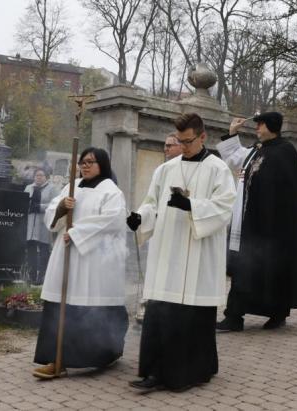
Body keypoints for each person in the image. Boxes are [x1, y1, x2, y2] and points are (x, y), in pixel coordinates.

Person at [126, 113, 236, 392]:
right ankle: (153, 372)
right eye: (179, 141)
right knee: (159, 311)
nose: (183, 147)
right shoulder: (166, 169)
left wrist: (191, 206)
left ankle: (192, 372)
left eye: (188, 141)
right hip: (167, 253)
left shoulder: (218, 169)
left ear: (202, 137)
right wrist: (140, 217)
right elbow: (152, 203)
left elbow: (225, 207)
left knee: (191, 316)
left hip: (198, 253)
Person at [32, 147, 129, 378]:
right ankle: (57, 359)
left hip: (93, 260)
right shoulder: (71, 187)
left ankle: (101, 354)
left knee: (86, 306)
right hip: (66, 253)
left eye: (90, 162)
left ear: (102, 164)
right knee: (61, 304)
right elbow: (52, 215)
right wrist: (60, 209)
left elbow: (113, 221)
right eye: (83, 162)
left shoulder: (111, 191)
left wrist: (77, 233)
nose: (85, 166)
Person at [215, 112, 297, 332]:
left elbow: (283, 192)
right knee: (243, 267)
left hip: (273, 226)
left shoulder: (285, 151)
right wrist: (232, 134)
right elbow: (236, 158)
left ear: (271, 126)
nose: (257, 128)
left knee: (273, 270)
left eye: (260, 125)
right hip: (249, 221)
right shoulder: (258, 150)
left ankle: (277, 313)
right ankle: (234, 316)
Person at [25, 168, 57, 285]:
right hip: (31, 223)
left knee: (44, 250)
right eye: (36, 175)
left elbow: (55, 204)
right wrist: (29, 205)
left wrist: (40, 207)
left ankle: (42, 276)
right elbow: (23, 200)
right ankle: (31, 275)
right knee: (31, 250)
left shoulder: (52, 188)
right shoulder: (29, 187)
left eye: (41, 175)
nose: (38, 177)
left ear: (46, 177)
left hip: (44, 223)